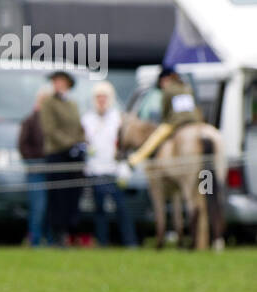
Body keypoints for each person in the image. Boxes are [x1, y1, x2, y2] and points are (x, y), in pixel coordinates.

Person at [81, 81, 137, 247]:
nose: (101, 101)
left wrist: (125, 166)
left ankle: (130, 242)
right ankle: (102, 242)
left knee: (121, 209)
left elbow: (125, 145)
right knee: (99, 210)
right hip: (95, 170)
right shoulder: (87, 119)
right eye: (98, 97)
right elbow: (83, 142)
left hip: (114, 170)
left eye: (104, 97)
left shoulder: (119, 118)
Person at [38, 69, 86, 246]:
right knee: (57, 196)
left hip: (73, 156)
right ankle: (56, 234)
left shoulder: (72, 104)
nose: (58, 84)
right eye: (55, 81)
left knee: (73, 195)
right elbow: (50, 130)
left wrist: (81, 143)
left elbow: (79, 127)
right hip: (57, 154)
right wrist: (69, 144)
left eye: (61, 81)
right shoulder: (49, 103)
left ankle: (71, 232)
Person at [125, 66, 203, 169]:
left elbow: (165, 112)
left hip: (178, 122)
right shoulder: (186, 87)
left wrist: (164, 122)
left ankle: (135, 159)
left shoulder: (168, 90)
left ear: (165, 79)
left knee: (155, 138)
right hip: (195, 122)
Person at [17, 85, 54, 247]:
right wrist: (36, 159)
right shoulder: (30, 121)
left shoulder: (54, 121)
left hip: (52, 170)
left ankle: (50, 239)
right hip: (36, 170)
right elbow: (22, 146)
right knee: (37, 207)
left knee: (50, 207)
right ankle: (35, 240)